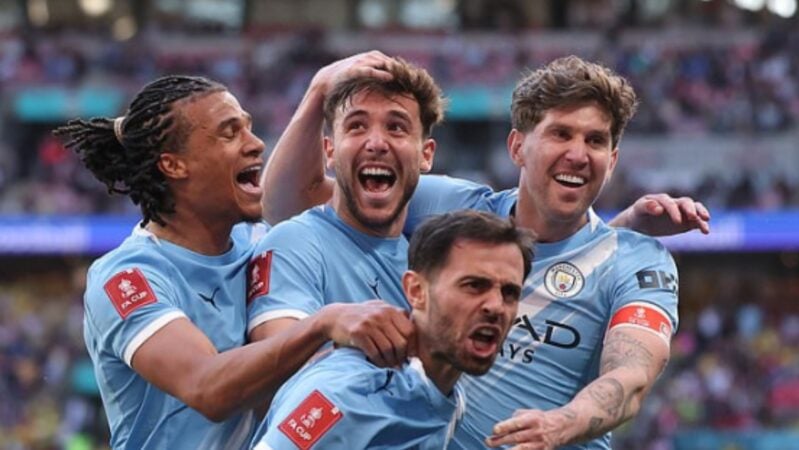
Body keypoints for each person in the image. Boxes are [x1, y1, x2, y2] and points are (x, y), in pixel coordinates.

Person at [259, 54, 708, 449]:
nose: (577, 154)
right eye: (560, 134)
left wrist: (561, 424)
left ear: (612, 161)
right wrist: (318, 92)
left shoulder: (636, 261)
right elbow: (291, 202)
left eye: (595, 141)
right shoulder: (454, 209)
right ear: (518, 147)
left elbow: (631, 376)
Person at [55, 75, 412, 449]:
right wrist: (323, 324)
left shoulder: (263, 241)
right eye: (229, 134)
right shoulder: (127, 278)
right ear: (174, 165)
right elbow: (208, 388)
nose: (256, 144)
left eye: (248, 127)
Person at [251, 210, 534, 450]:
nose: (496, 306)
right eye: (474, 286)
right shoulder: (345, 394)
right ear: (416, 291)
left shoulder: (448, 395)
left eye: (509, 293)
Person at [246, 56, 441, 367]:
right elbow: (277, 369)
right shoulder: (295, 243)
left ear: (426, 155)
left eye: (396, 127)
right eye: (357, 126)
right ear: (330, 151)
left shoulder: (429, 263)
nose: (376, 143)